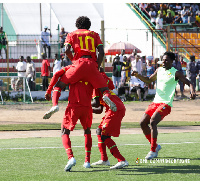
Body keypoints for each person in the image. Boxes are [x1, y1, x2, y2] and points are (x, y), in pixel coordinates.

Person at [43, 16, 118, 122]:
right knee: (104, 89)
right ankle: (106, 97)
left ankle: (55, 105)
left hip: (78, 64)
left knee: (59, 85)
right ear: (89, 25)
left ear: (77, 25)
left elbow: (67, 50)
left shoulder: (71, 34)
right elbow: (101, 52)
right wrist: (97, 64)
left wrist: (73, 60)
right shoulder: (94, 34)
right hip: (92, 64)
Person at [131, 51, 196, 160]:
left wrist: (192, 91)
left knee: (152, 121)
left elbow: (189, 82)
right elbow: (148, 80)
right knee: (142, 123)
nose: (163, 62)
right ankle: (155, 146)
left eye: (166, 60)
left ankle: (153, 150)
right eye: (163, 60)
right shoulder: (159, 70)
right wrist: (138, 75)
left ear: (172, 61)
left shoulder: (176, 73)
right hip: (155, 102)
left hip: (166, 104)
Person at [43, 64, 94, 171]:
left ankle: (71, 157)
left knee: (64, 132)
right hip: (87, 106)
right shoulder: (91, 68)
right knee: (87, 131)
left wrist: (48, 91)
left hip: (74, 106)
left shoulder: (72, 67)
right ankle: (87, 161)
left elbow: (57, 74)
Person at [91, 67, 128, 169]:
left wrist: (83, 105)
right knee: (99, 130)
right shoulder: (104, 77)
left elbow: (96, 103)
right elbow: (99, 109)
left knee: (105, 136)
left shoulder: (94, 82)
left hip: (114, 109)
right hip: (115, 106)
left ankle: (122, 160)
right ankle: (104, 159)